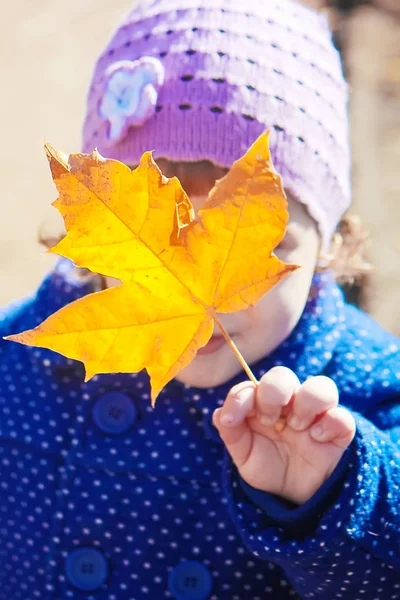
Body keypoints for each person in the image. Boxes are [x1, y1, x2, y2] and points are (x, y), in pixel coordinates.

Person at [0, 1, 399, 598]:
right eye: (167, 239)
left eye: (262, 239)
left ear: (329, 244)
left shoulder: (363, 391)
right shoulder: (24, 366)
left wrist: (331, 495)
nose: (199, 288)